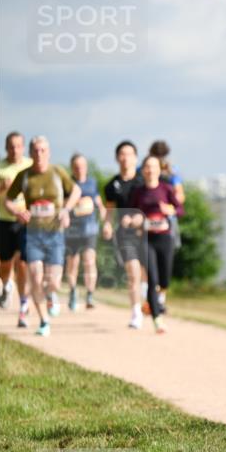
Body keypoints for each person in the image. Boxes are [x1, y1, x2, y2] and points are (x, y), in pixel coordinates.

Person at [3, 136, 81, 336]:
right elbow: (8, 200)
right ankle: (44, 321)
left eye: (43, 150)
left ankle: (51, 294)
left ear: (49, 152)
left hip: (55, 234)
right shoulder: (25, 175)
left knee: (53, 281)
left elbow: (76, 191)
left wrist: (66, 210)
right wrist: (17, 212)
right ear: (30, 153)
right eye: (35, 150)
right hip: (33, 234)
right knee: (35, 277)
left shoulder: (57, 173)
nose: (39, 154)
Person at [130, 156, 183, 334]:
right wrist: (133, 219)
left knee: (164, 279)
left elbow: (180, 209)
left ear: (159, 169)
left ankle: (159, 299)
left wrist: (170, 210)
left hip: (165, 238)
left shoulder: (166, 189)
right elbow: (130, 213)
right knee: (152, 279)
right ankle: (157, 319)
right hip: (146, 240)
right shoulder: (138, 192)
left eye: (153, 167)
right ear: (143, 170)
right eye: (147, 167)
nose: (150, 170)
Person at [102, 140, 145, 328]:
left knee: (147, 274)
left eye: (129, 154)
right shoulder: (112, 185)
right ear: (117, 158)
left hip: (146, 233)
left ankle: (146, 300)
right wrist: (107, 224)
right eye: (122, 154)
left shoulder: (144, 181)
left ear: (136, 157)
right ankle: (136, 312)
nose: (125, 158)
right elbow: (109, 210)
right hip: (125, 234)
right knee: (133, 272)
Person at [0, 131, 33, 326]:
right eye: (11, 146)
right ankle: (4, 285)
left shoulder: (30, 166)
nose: (15, 150)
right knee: (4, 264)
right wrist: (1, 188)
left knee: (23, 263)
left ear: (23, 147)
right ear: (6, 147)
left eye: (18, 146)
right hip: (3, 220)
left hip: (25, 222)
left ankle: (23, 306)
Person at [63, 153, 107, 311]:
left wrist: (102, 213)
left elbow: (98, 200)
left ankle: (90, 294)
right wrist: (76, 205)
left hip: (89, 229)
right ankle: (73, 292)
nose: (79, 169)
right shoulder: (67, 183)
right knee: (73, 263)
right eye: (76, 166)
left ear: (86, 167)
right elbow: (61, 203)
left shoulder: (92, 182)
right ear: (72, 168)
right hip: (72, 230)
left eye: (82, 166)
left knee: (89, 261)